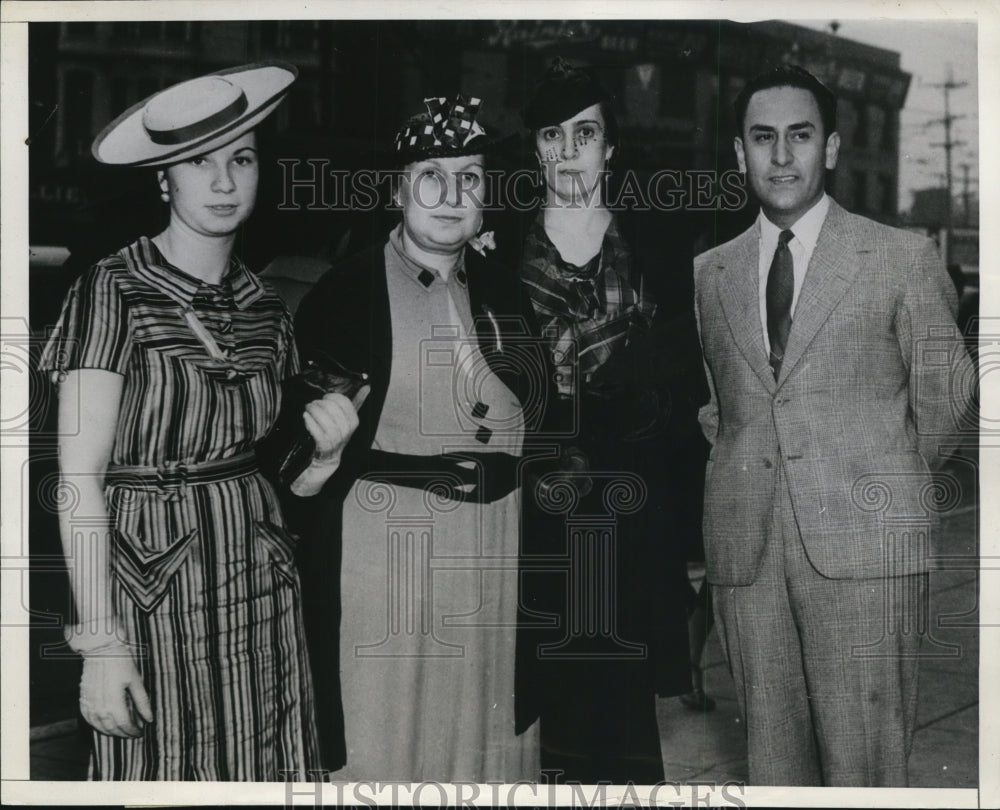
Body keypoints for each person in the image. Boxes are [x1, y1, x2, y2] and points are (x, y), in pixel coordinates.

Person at [38, 62, 362, 780]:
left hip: (261, 583)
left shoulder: (266, 304)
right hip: (152, 593)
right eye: (198, 163)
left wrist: (320, 465)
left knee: (265, 765)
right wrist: (99, 644)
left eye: (241, 159)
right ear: (164, 179)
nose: (223, 182)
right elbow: (79, 479)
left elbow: (274, 473)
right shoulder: (112, 289)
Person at [693, 64, 975, 786]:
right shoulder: (711, 273)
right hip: (747, 558)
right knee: (772, 770)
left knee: (865, 772)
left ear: (834, 147)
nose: (781, 156)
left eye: (800, 136)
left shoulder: (899, 256)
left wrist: (880, 475)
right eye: (763, 138)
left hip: (868, 552)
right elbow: (722, 408)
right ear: (738, 154)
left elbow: (949, 398)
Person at [282, 94, 546, 782]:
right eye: (431, 175)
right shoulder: (346, 294)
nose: (451, 195)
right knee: (389, 744)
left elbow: (540, 424)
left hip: (494, 557)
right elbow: (289, 450)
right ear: (398, 188)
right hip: (389, 561)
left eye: (470, 177)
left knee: (486, 748)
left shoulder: (506, 293)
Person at [514, 58, 705, 784]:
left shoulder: (657, 250)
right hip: (533, 521)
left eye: (585, 133)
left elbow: (686, 391)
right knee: (544, 722)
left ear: (610, 148)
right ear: (535, 149)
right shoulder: (498, 251)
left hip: (631, 523)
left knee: (625, 730)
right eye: (553, 134)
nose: (569, 150)